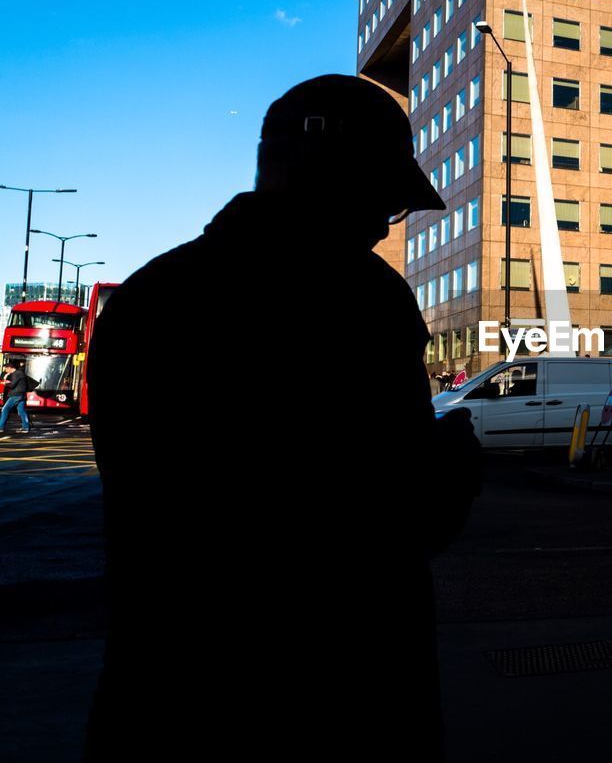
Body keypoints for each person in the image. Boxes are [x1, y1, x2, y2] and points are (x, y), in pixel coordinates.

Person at [84, 75, 482, 762]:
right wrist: (453, 465)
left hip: (165, 694)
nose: (391, 217)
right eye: (383, 192)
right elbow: (387, 516)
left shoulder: (150, 296)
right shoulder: (358, 298)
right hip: (340, 696)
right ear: (333, 174)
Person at [0, 359, 35, 434]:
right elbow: (15, 383)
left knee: (5, 409)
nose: (5, 370)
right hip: (21, 395)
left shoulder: (17, 373)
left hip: (16, 395)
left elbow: (12, 385)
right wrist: (8, 381)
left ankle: (1, 427)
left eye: (6, 369)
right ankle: (25, 428)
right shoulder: (18, 373)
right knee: (21, 411)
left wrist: (4, 383)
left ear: (9, 367)